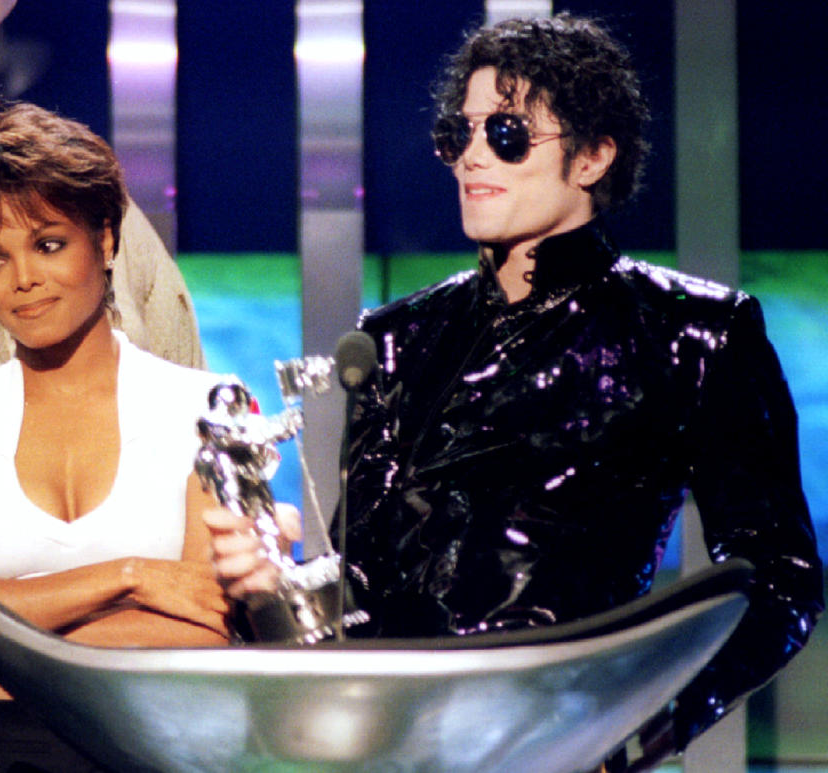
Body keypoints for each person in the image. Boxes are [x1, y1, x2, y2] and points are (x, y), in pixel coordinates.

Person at [207, 13, 824, 770]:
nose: (470, 157)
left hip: (553, 743)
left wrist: (643, 728)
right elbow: (357, 586)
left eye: (505, 134)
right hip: (387, 744)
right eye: (457, 134)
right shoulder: (396, 337)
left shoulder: (692, 332)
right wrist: (271, 590)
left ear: (595, 155)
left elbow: (780, 579)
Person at [0, 0, 205, 768]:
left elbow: (208, 608)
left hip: (156, 728)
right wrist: (135, 580)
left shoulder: (121, 236)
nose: (23, 279)